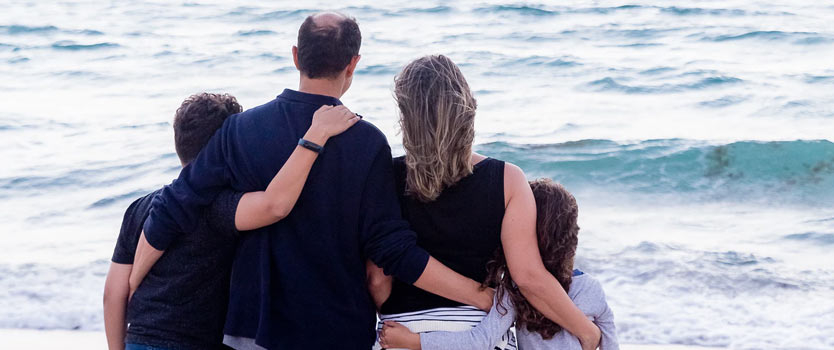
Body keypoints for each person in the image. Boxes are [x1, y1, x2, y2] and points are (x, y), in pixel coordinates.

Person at [132, 12, 493, 350]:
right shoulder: (366, 142)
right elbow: (392, 250)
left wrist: (131, 283)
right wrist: (480, 295)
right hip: (337, 329)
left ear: (295, 56)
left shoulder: (240, 131)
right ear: (353, 64)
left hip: (253, 329)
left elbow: (177, 204)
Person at [365, 55, 601, 350]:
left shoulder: (384, 176)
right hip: (482, 333)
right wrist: (586, 331)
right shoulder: (507, 179)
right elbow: (528, 278)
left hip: (403, 335)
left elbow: (376, 280)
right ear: (467, 109)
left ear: (405, 116)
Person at [103, 93, 360, 350]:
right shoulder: (218, 206)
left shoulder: (140, 208)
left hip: (138, 340)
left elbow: (113, 295)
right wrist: (315, 137)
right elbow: (275, 205)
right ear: (229, 144)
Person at [378, 179, 619, 350]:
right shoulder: (591, 289)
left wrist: (414, 342)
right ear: (570, 234)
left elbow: (479, 341)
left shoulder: (516, 292)